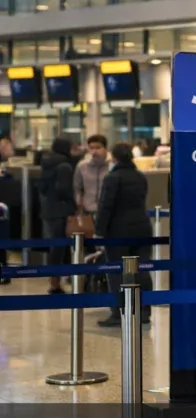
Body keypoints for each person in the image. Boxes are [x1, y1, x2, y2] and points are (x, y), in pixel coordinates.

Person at [95, 143, 153, 327]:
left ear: (114, 157)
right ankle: (144, 311)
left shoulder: (112, 178)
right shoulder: (140, 176)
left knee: (117, 272)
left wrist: (99, 231)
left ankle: (118, 312)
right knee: (142, 269)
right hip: (143, 227)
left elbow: (106, 206)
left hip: (118, 230)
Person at [38, 137, 76, 294]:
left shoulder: (46, 164)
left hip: (48, 209)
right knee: (60, 248)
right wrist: (72, 202)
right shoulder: (65, 166)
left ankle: (54, 281)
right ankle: (56, 284)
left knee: (55, 247)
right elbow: (64, 189)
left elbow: (41, 187)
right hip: (62, 210)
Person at [74, 134, 110, 223]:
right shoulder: (82, 166)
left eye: (98, 148)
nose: (94, 151)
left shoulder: (112, 165)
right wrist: (79, 205)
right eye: (91, 148)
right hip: (88, 211)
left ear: (106, 148)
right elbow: (77, 187)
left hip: (109, 211)